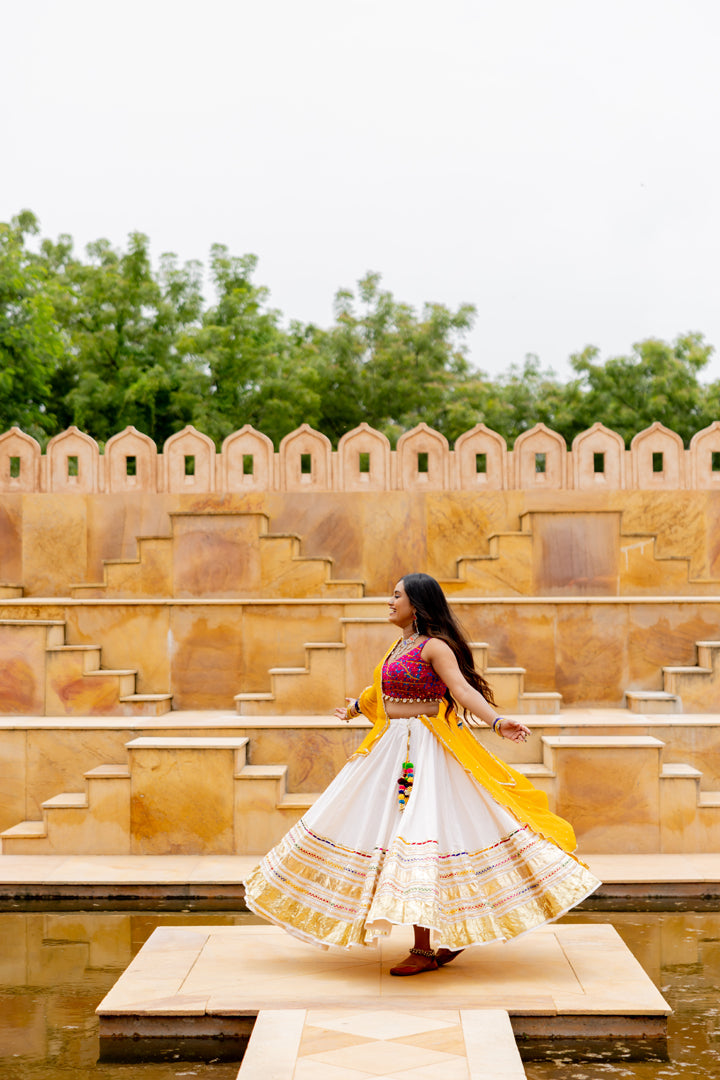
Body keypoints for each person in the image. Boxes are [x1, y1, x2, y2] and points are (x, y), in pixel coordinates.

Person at [243, 572, 600, 975]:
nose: (389, 602)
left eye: (397, 596)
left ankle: (425, 949)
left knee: (421, 837)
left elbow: (462, 690)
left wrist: (497, 722)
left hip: (427, 751)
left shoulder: (435, 647)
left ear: (416, 604)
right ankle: (443, 939)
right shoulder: (400, 645)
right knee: (381, 832)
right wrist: (356, 708)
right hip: (392, 750)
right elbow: (383, 691)